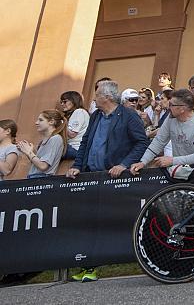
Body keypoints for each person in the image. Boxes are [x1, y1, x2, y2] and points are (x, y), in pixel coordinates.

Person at [66, 80, 149, 283]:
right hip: (92, 176)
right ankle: (88, 266)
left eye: (97, 95)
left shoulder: (128, 115)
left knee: (109, 223)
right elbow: (85, 142)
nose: (94, 98)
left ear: (108, 97)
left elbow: (141, 142)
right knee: (90, 222)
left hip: (114, 178)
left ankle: (121, 261)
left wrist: (124, 164)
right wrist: (77, 165)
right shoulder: (95, 116)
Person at [130, 89, 194, 175]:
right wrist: (143, 162)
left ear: (182, 109)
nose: (168, 107)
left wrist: (172, 161)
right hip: (179, 171)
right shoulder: (171, 118)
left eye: (171, 105)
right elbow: (159, 141)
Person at [17, 110, 66, 179]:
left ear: (51, 122)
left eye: (41, 120)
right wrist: (30, 151)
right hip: (35, 178)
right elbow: (38, 164)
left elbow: (43, 166)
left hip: (42, 179)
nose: (36, 123)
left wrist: (29, 152)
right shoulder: (46, 140)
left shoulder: (56, 139)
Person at [59, 91, 90, 160]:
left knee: (51, 146)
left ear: (74, 101)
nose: (62, 104)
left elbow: (72, 134)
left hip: (75, 148)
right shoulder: (74, 113)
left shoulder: (79, 112)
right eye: (61, 102)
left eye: (65, 101)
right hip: (72, 148)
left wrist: (61, 123)